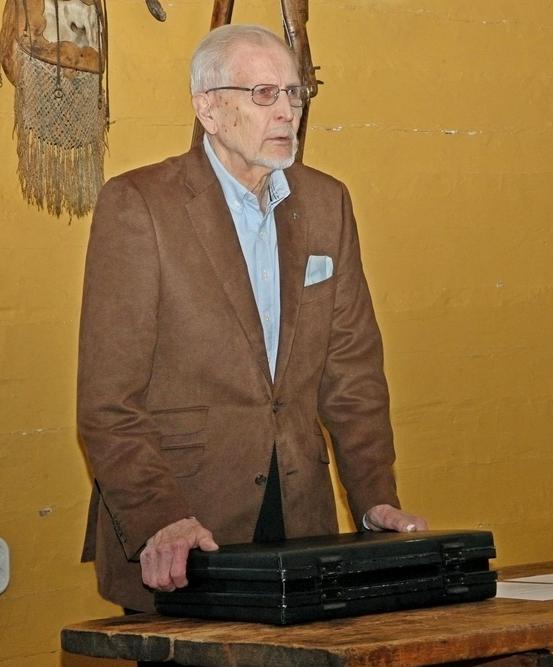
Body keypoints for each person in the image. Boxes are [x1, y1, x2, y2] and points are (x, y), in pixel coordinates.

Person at [77, 23, 427, 615]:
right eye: (263, 94)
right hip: (184, 531)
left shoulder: (327, 203)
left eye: (294, 92)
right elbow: (108, 402)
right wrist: (160, 517)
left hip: (301, 523)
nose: (287, 111)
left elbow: (353, 373)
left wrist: (375, 498)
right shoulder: (140, 205)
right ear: (208, 109)